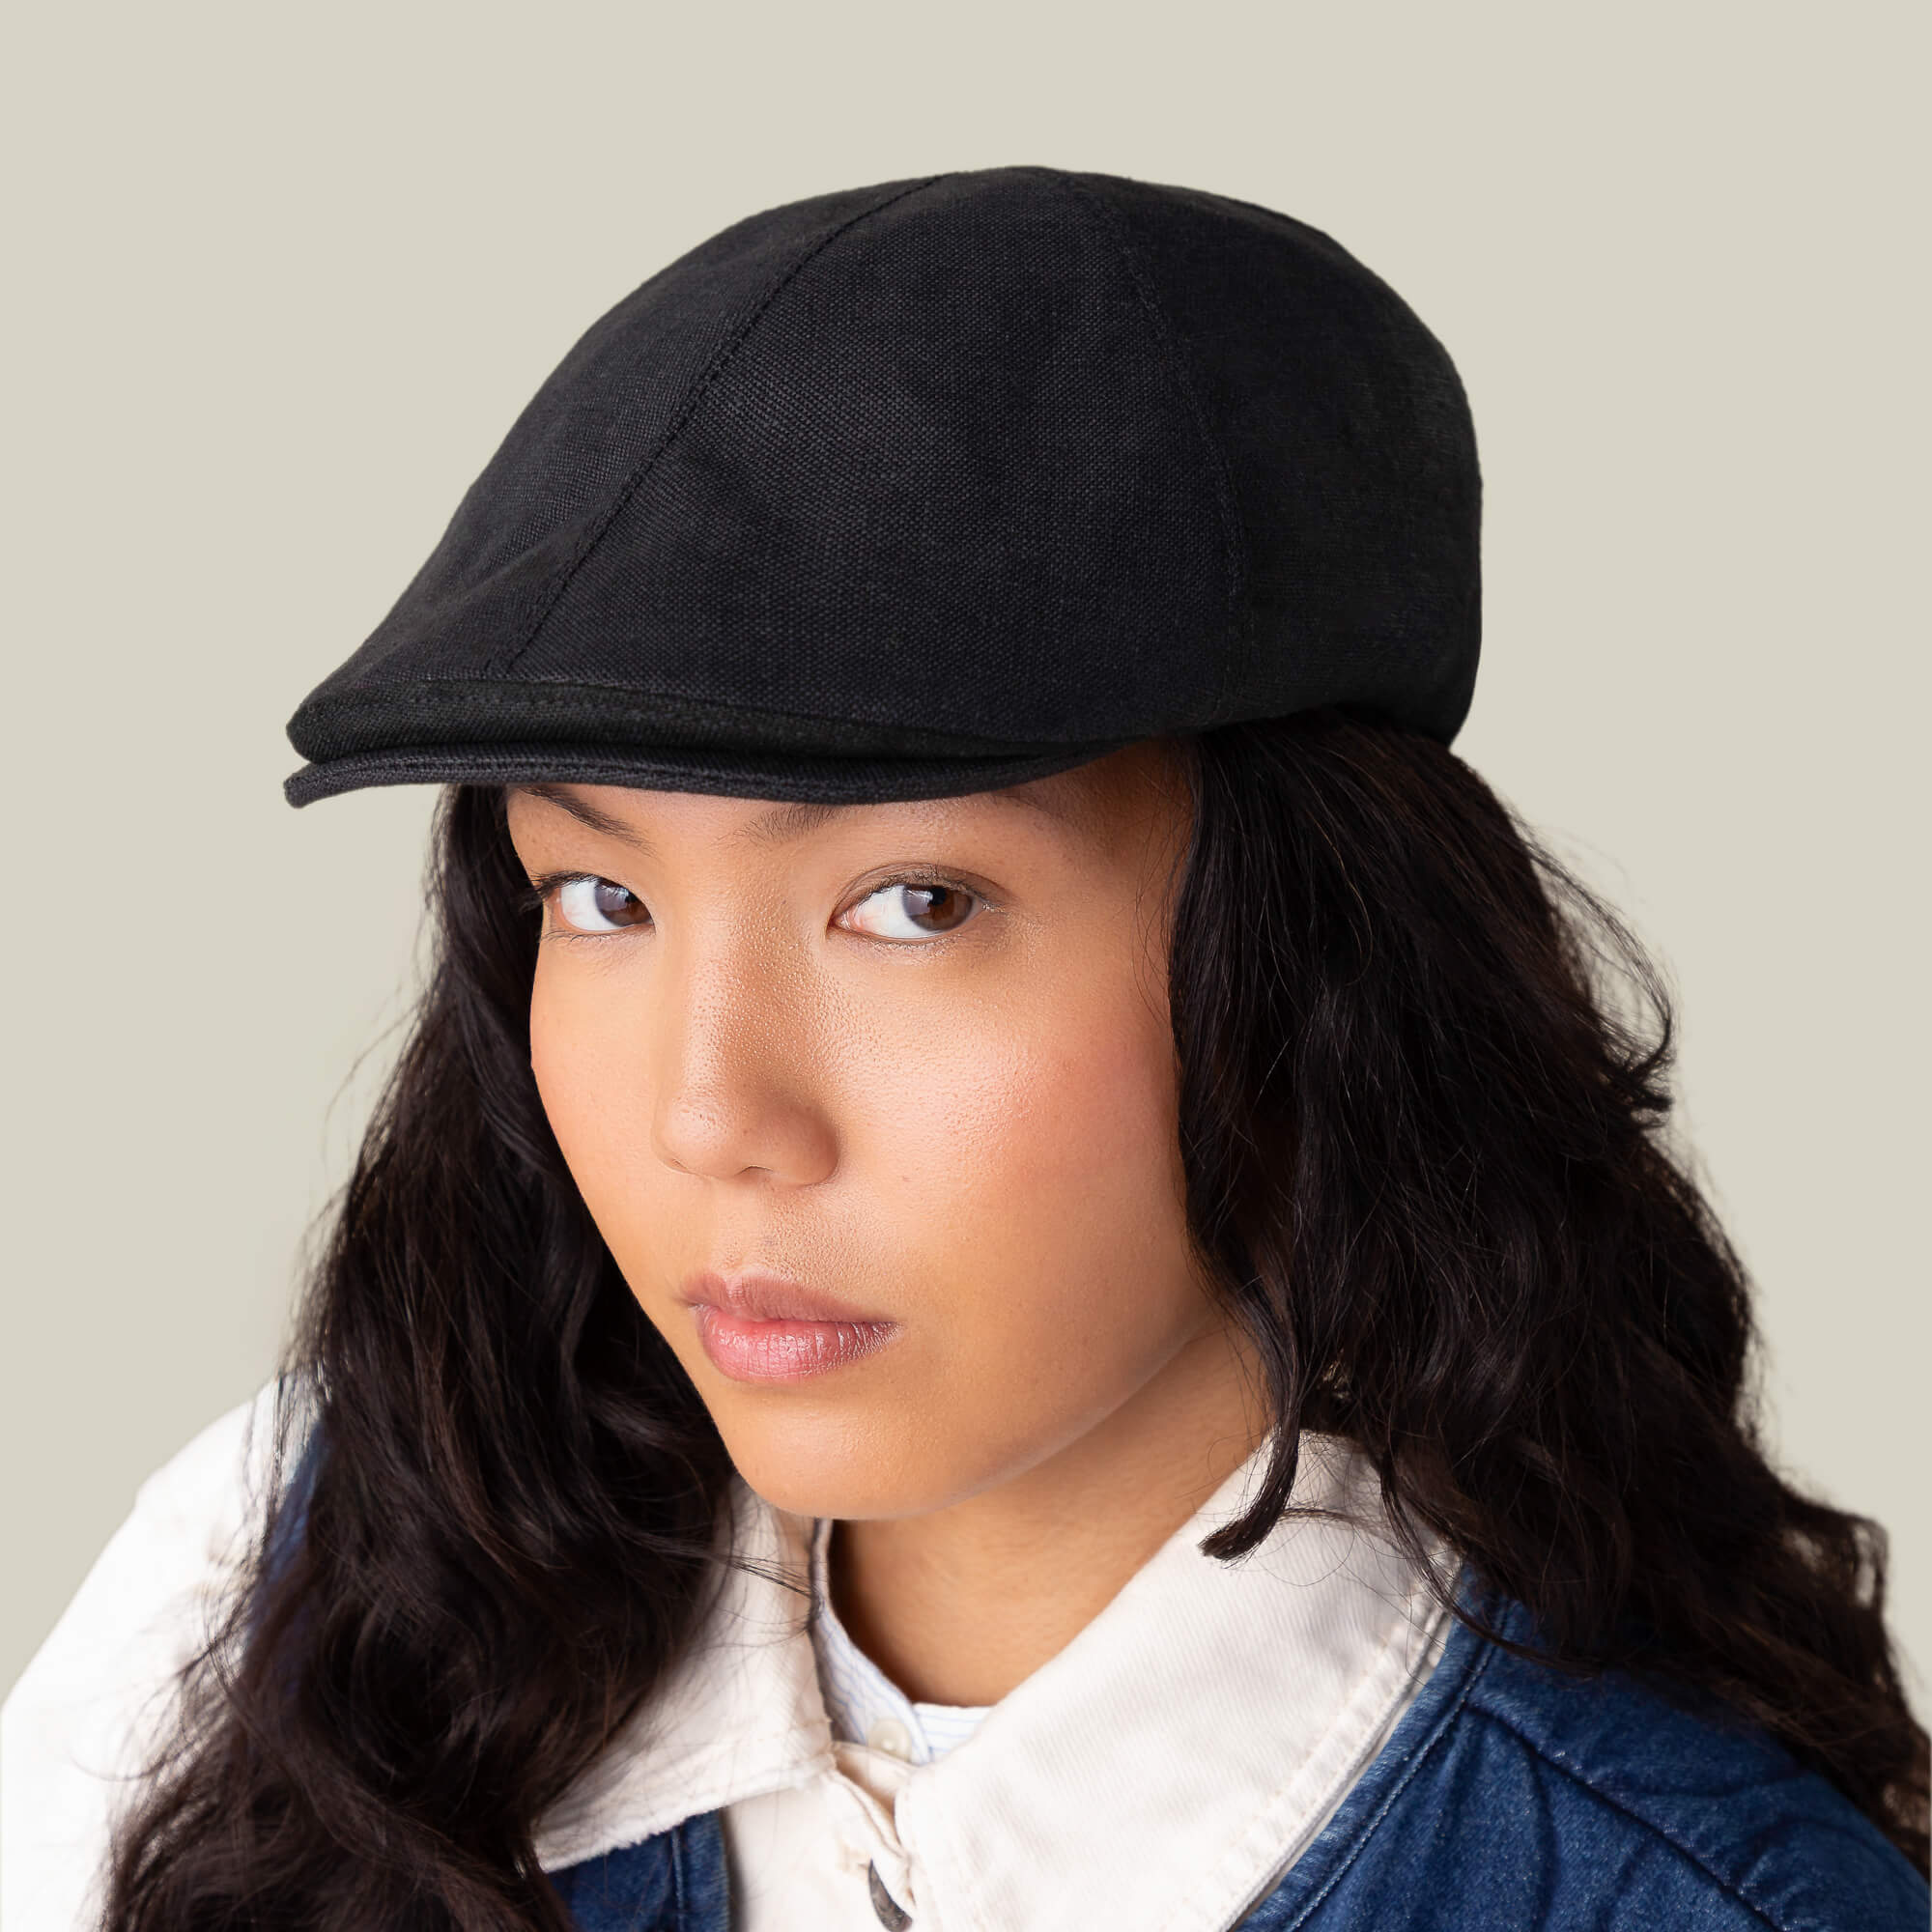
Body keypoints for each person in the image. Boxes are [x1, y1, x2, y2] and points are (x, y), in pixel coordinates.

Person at [3, 165, 1925, 1932]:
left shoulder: (1694, 1901)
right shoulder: (294, 1588)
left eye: (915, 903)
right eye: (599, 896)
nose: (708, 1114)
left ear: (1324, 964)